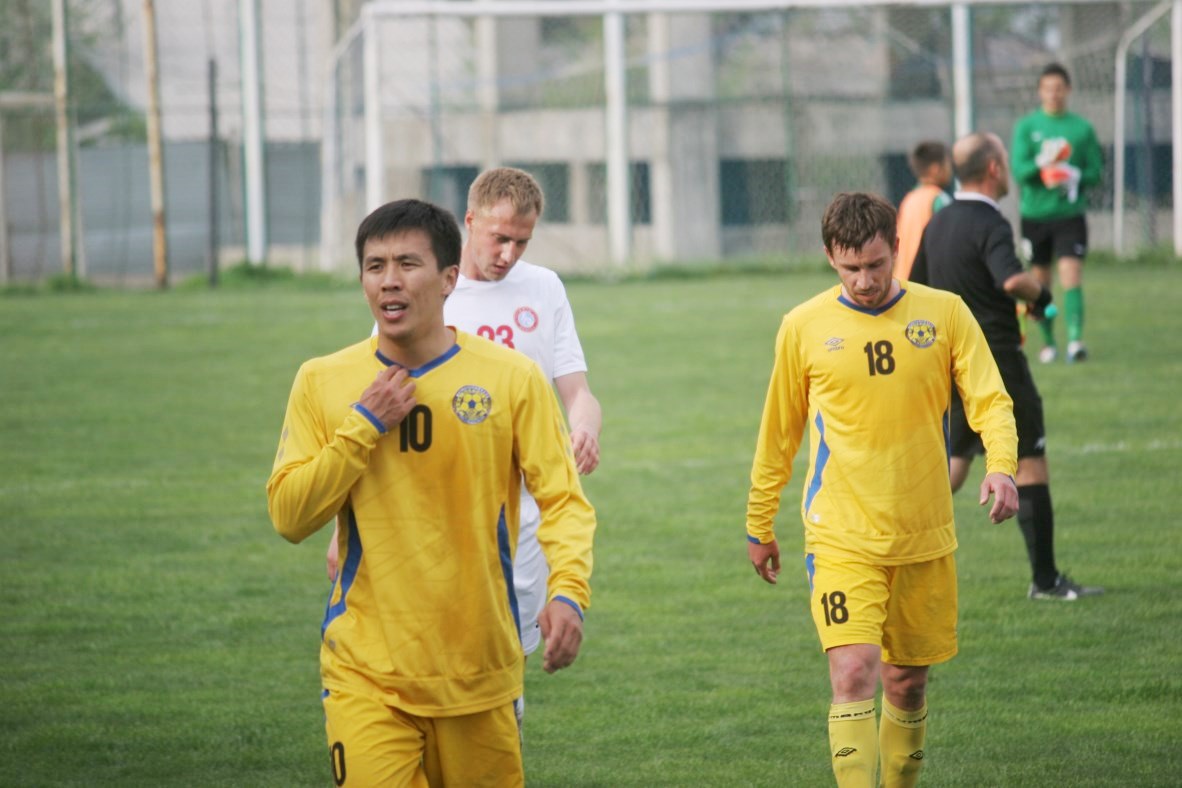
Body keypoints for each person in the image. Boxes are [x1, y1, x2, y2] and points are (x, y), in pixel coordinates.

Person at [267, 198, 595, 786]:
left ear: (449, 279)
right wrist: (363, 425)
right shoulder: (322, 381)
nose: (389, 280)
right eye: (375, 266)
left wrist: (568, 591)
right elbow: (290, 516)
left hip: (480, 675)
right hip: (366, 673)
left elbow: (562, 501)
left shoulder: (511, 378)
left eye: (407, 264)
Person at [746, 191, 1020, 788]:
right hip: (840, 536)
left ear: (897, 248)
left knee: (907, 684)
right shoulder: (803, 327)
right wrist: (758, 522)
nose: (865, 281)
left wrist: (1001, 465)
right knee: (853, 673)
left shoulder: (944, 314)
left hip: (923, 534)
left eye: (875, 264)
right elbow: (778, 435)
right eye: (851, 268)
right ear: (829, 256)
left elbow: (991, 400)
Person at [911, 132, 1104, 602]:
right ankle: (1046, 581)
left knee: (952, 466)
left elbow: (915, 286)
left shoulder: (939, 222)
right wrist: (1041, 297)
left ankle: (892, 540)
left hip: (948, 361)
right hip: (996, 361)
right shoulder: (990, 222)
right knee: (1030, 461)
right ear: (995, 168)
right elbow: (1013, 279)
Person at [1011, 62, 1103, 363]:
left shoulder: (1081, 128)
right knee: (1040, 282)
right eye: (1048, 88)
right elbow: (1019, 170)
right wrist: (1043, 163)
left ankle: (1075, 341)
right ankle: (1048, 342)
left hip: (1069, 215)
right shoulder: (1027, 127)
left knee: (1071, 274)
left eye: (1059, 88)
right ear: (1040, 91)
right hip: (1035, 215)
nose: (1054, 93)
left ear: (1068, 90)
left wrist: (1073, 175)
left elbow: (1096, 172)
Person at [894, 140, 953, 281]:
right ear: (935, 169)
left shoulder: (909, 199)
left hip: (903, 277)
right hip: (925, 279)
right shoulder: (938, 199)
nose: (951, 170)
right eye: (948, 164)